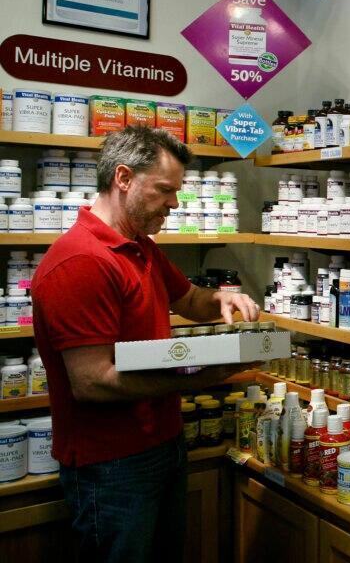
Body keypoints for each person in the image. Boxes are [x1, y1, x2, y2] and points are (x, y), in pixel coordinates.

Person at [32, 126, 259, 563]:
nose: (175, 203)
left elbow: (189, 299)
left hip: (162, 445)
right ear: (123, 178)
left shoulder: (140, 247)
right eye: (165, 190)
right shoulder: (81, 261)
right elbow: (93, 382)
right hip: (111, 467)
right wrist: (196, 379)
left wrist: (222, 298)